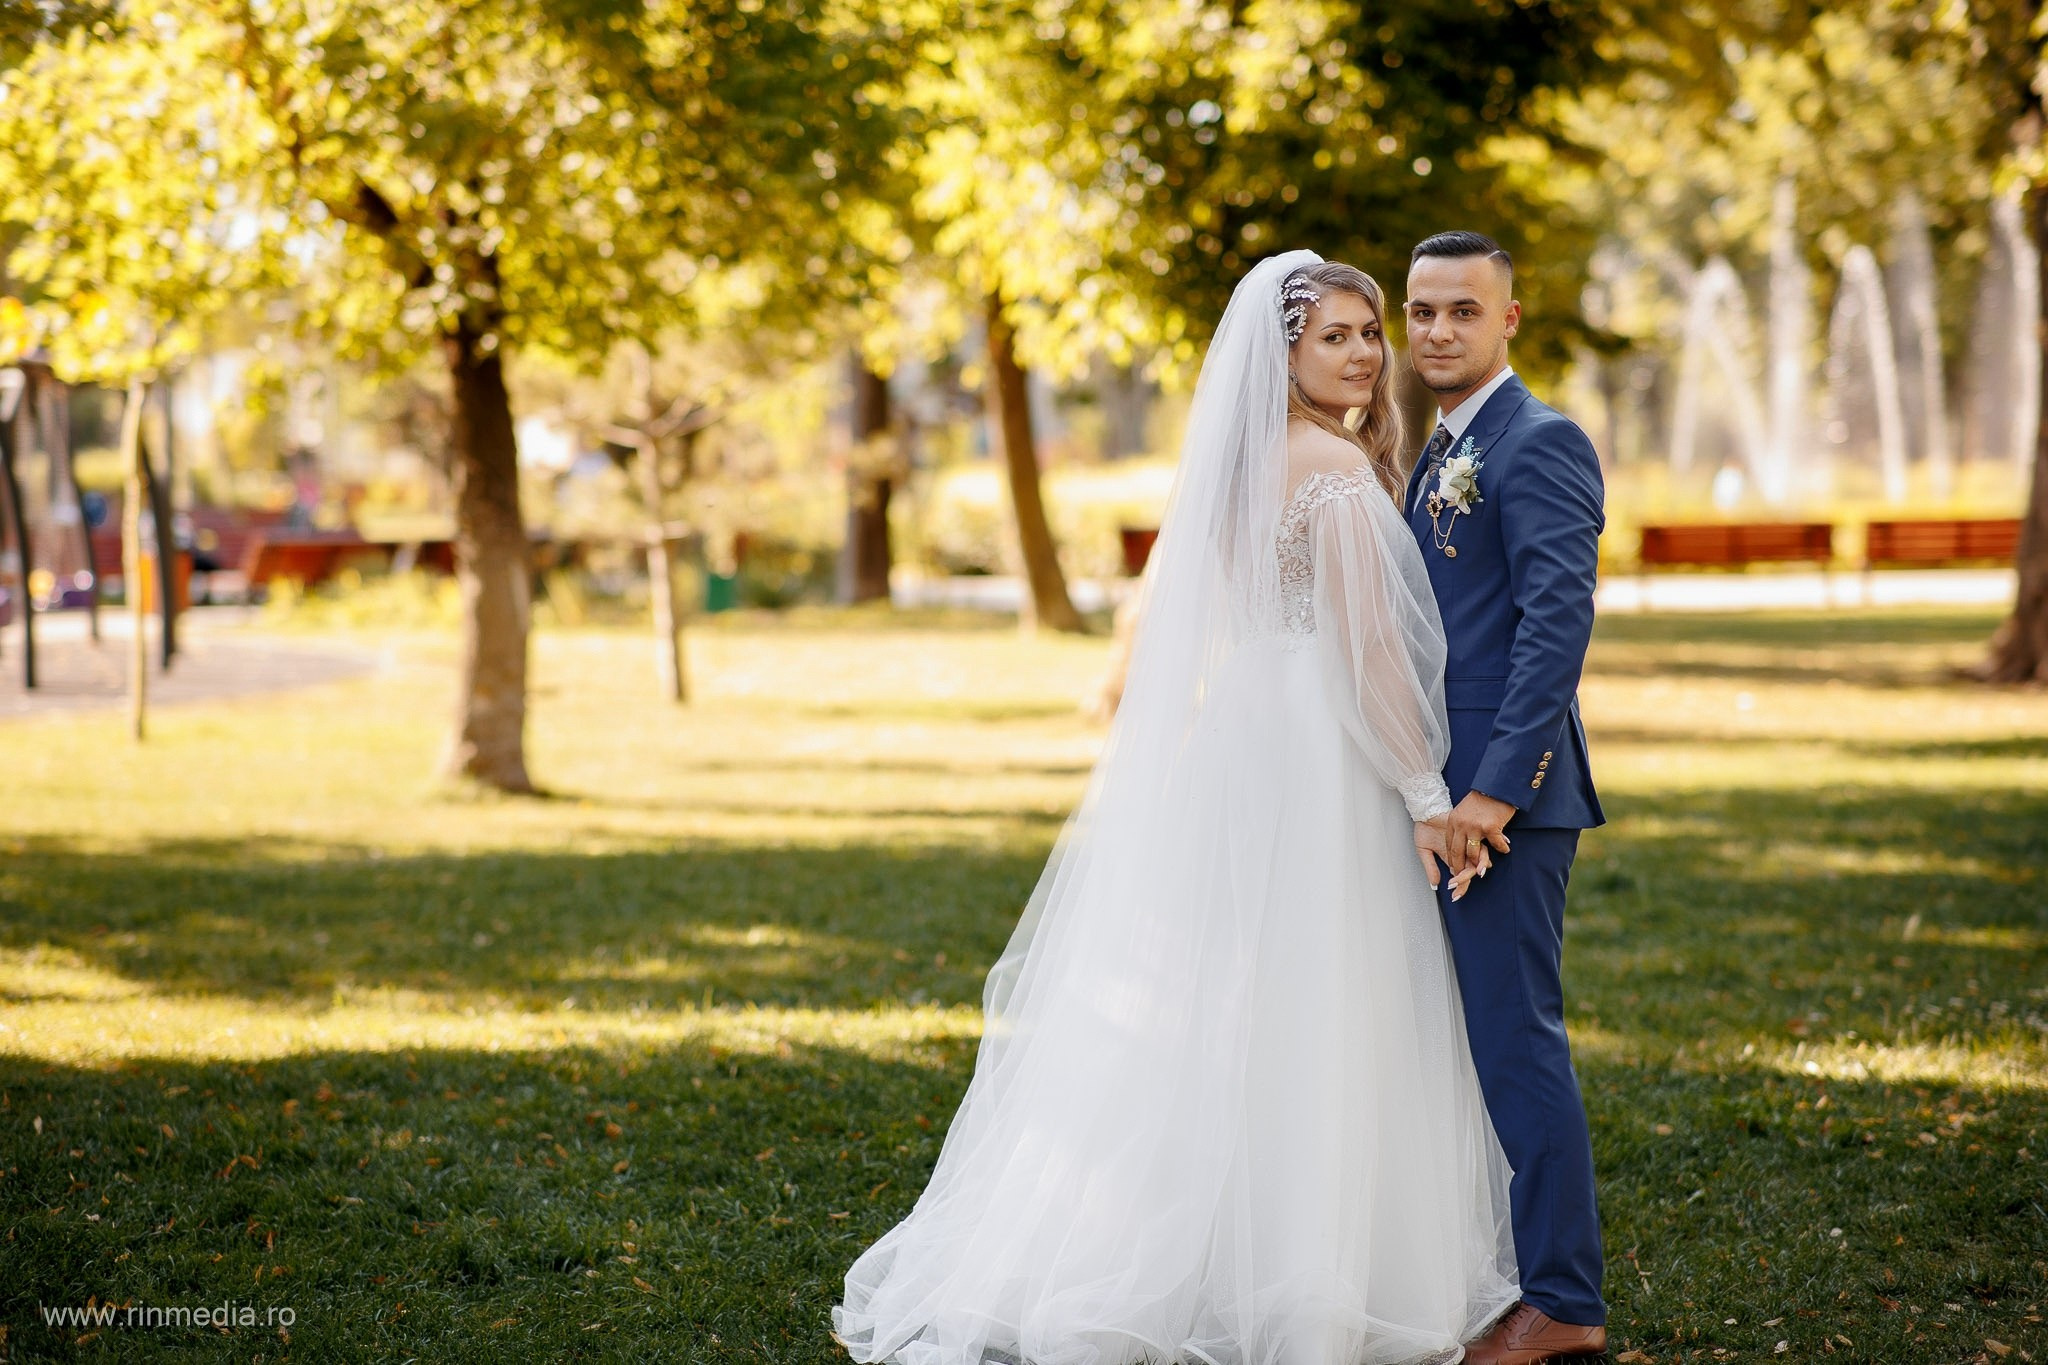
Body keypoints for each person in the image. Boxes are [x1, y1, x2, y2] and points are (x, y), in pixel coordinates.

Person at [831, 251, 1519, 1365]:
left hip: (1243, 733)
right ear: (1282, 351)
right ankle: (1306, 1281)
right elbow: (1366, 657)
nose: (1359, 353)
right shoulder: (1335, 478)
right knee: (1319, 996)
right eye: (1332, 336)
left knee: (1229, 996)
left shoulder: (1244, 466)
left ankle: (1205, 1248)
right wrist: (1424, 792)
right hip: (1317, 749)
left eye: (1365, 334)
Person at [1402, 231, 1609, 1365]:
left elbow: (1552, 629)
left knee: (1513, 1038)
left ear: (1507, 320)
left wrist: (1490, 796)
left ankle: (1562, 1299)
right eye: (1421, 311)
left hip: (1502, 807)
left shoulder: (1536, 440)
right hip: (1439, 791)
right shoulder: (1437, 448)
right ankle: (1490, 1267)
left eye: (1461, 312)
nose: (1437, 331)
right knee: (1464, 1040)